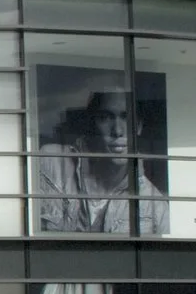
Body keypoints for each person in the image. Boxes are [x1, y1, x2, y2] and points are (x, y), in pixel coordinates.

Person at [35, 89, 166, 234]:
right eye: (105, 117)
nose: (117, 131)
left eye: (127, 118)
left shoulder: (154, 204)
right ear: (92, 124)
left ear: (139, 127)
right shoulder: (50, 161)